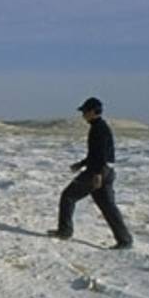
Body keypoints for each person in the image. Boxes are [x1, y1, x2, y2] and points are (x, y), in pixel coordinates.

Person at [49, 97, 132, 250]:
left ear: (93, 112)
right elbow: (95, 154)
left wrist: (98, 174)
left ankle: (65, 231)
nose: (83, 115)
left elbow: (102, 155)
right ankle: (125, 240)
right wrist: (80, 164)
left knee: (68, 196)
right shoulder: (99, 127)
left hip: (97, 173)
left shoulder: (99, 128)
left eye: (85, 112)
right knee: (108, 207)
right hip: (105, 171)